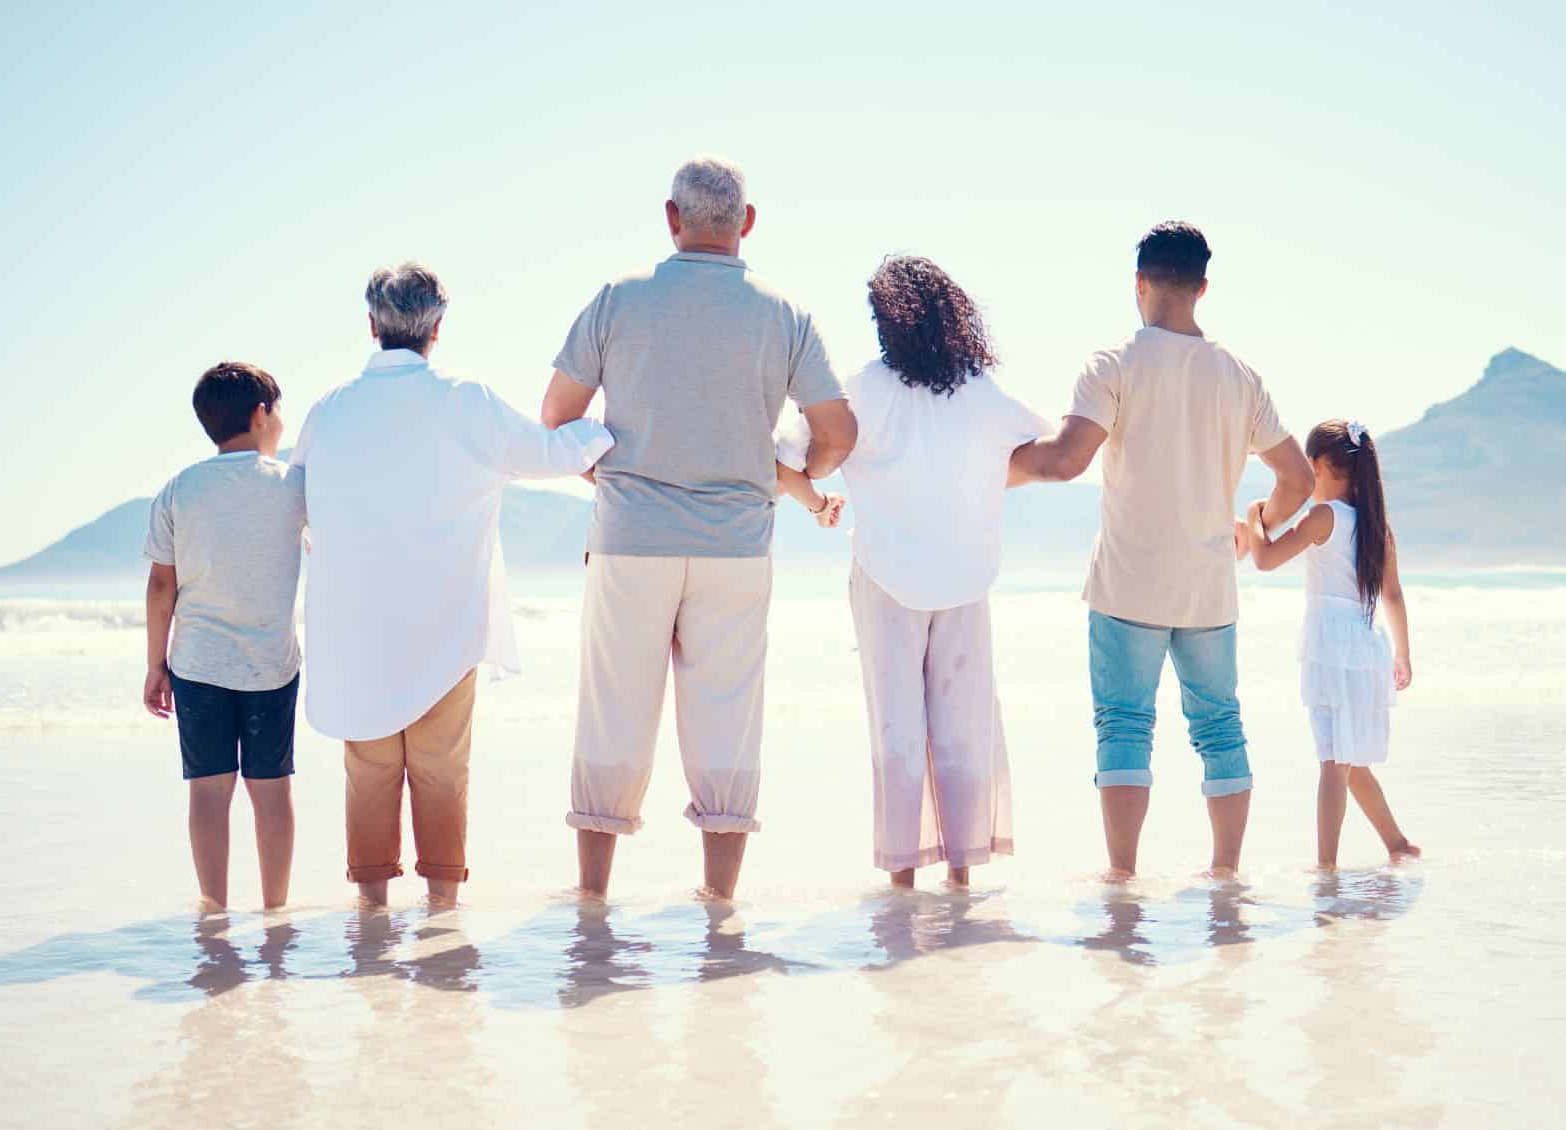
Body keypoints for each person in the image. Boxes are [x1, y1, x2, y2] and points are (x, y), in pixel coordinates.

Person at [540, 155, 858, 902]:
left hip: (630, 539)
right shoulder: (784, 315)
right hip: (737, 544)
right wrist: (789, 474)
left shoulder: (618, 301)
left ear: (671, 217)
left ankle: (593, 897)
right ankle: (719, 901)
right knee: (728, 717)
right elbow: (836, 430)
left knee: (614, 709)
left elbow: (557, 418)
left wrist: (608, 475)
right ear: (745, 223)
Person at [292, 262, 614, 909]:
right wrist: (606, 431)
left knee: (370, 768)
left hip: (355, 624)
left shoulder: (329, 410)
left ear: (371, 325)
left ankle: (372, 911)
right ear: (438, 327)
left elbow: (295, 504)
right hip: (447, 621)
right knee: (441, 768)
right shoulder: (467, 400)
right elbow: (552, 455)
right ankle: (442, 908)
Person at [1011, 221, 1313, 880]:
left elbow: (1064, 463)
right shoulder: (1240, 377)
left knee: (1123, 725)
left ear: (1139, 284)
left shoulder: (1114, 364)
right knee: (1220, 727)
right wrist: (1255, 522)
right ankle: (1225, 874)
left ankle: (1123, 876)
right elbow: (1301, 480)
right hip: (1207, 583)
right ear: (1203, 287)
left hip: (1129, 582)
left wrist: (991, 467)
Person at [776, 256, 1052, 887]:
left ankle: (902, 876)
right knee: (966, 721)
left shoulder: (861, 390)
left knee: (896, 722)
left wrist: (819, 506)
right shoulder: (981, 391)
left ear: (884, 322)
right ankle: (962, 870)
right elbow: (1052, 453)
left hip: (884, 578)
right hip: (966, 578)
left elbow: (786, 459)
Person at [141, 362, 306, 911]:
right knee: (272, 791)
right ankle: (275, 910)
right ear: (261, 415)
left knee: (209, 791)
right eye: (278, 410)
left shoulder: (180, 488)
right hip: (271, 664)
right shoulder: (292, 485)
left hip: (197, 664)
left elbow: (161, 584)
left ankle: (214, 908)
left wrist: (155, 665)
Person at [1238, 419, 1420, 866]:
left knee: (1333, 762)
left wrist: (1253, 515)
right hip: (1367, 642)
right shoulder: (1375, 525)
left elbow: (1265, 559)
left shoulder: (1325, 516)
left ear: (1317, 465)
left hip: (1332, 644)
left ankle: (1327, 867)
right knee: (1350, 762)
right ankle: (1397, 844)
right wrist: (1403, 654)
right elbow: (1393, 595)